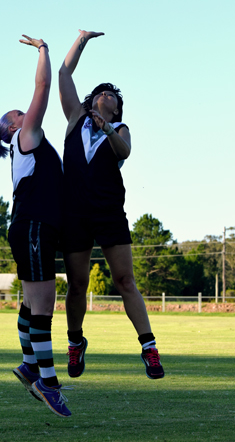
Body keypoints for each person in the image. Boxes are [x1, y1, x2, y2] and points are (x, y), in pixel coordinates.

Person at [58, 29, 165, 380]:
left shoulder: (120, 129)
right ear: (91, 102)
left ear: (116, 107)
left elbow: (125, 152)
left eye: (112, 95)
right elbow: (63, 74)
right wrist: (82, 40)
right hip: (74, 213)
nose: (107, 95)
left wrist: (106, 129)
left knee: (125, 281)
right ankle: (75, 344)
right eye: (101, 92)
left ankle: (149, 348)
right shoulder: (75, 119)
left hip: (108, 213)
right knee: (77, 284)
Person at [0, 34, 72, 417]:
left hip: (30, 228)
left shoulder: (27, 144)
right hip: (35, 228)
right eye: (17, 115)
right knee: (43, 311)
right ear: (12, 129)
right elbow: (42, 86)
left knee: (29, 304)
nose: (24, 114)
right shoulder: (27, 137)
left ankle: (28, 365)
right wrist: (43, 49)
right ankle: (47, 383)